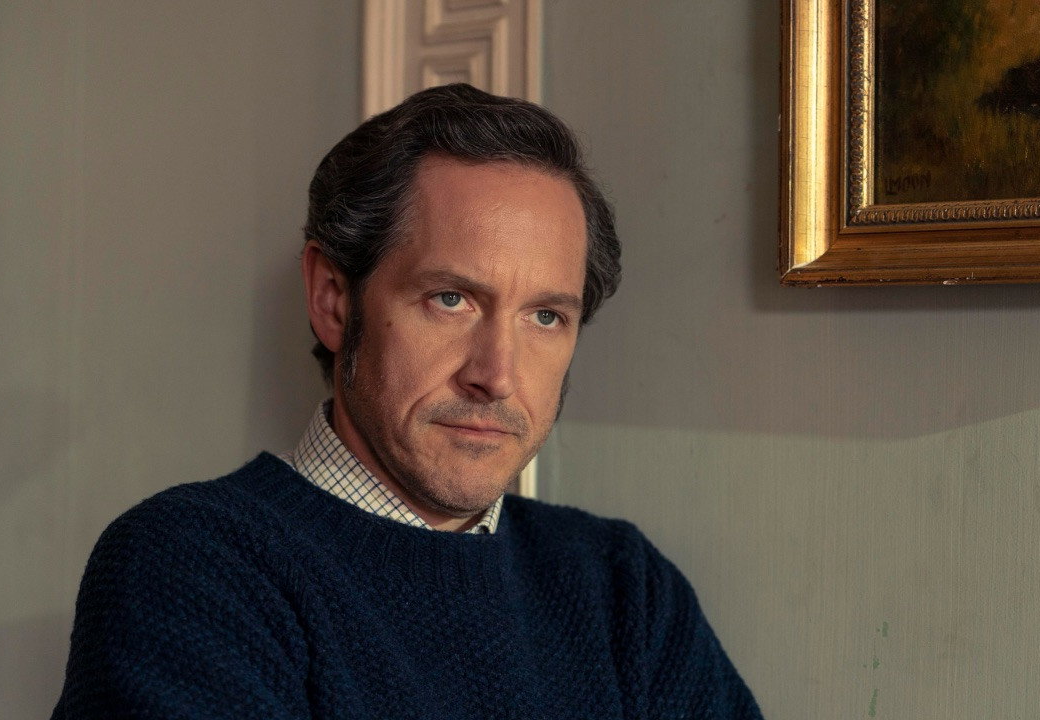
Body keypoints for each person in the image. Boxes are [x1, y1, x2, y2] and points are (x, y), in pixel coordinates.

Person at [52, 83, 762, 719]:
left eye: (546, 316)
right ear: (333, 299)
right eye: (450, 299)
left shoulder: (623, 588)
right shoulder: (193, 565)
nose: (496, 375)